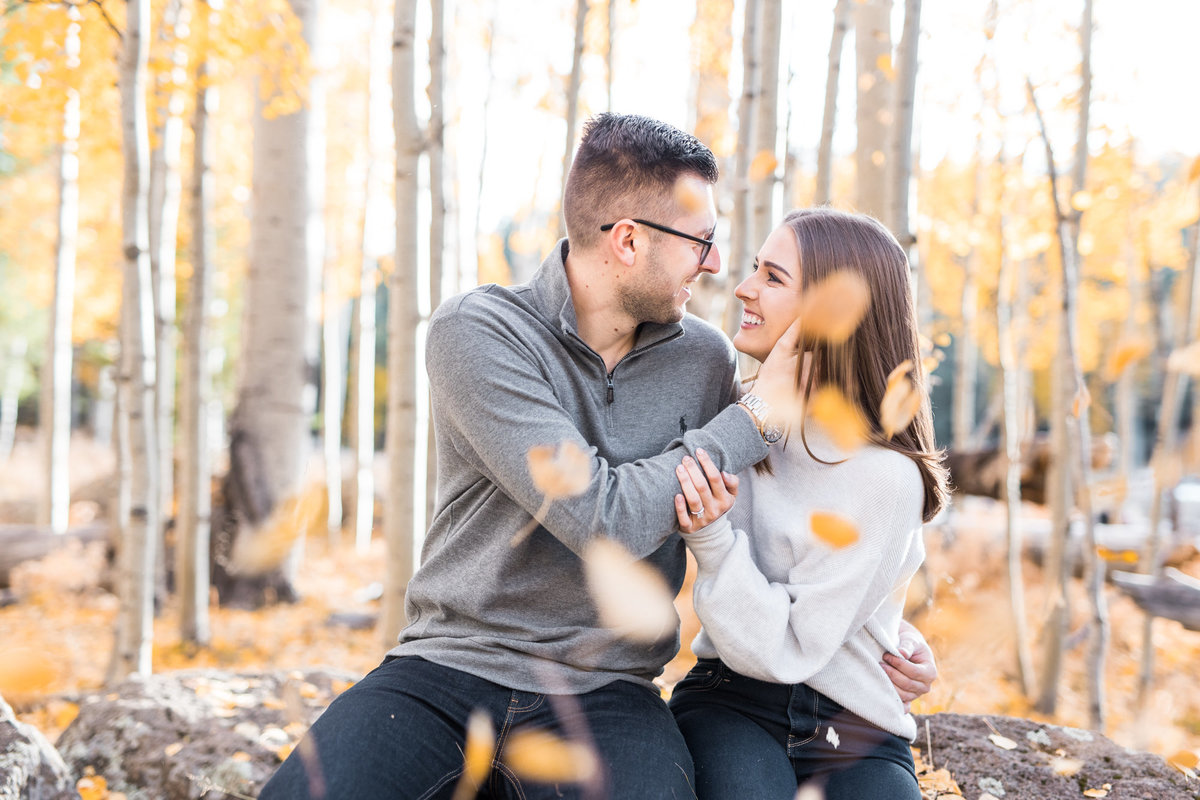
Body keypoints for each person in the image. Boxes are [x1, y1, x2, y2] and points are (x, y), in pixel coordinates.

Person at [261, 116, 935, 800]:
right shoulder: (479, 332)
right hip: (448, 668)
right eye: (701, 242)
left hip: (608, 690)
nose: (718, 269)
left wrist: (878, 621)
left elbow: (801, 497)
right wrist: (752, 419)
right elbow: (599, 516)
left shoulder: (704, 358)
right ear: (629, 239)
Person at [667, 207, 952, 800]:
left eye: (772, 278)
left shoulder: (888, 475)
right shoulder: (732, 422)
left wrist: (887, 629)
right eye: (754, 271)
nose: (743, 288)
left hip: (858, 723)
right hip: (732, 698)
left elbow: (804, 637)